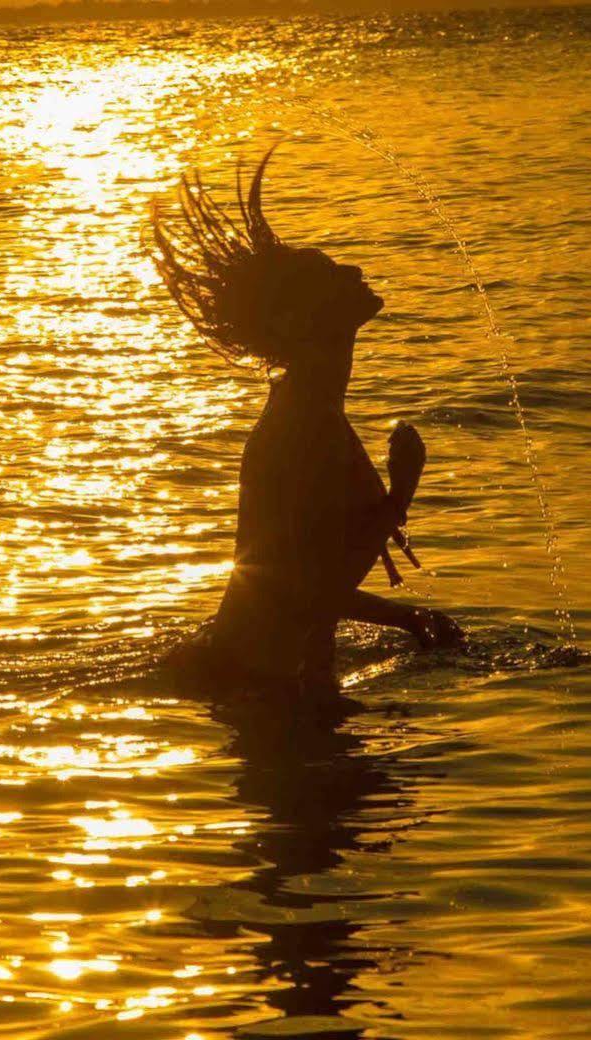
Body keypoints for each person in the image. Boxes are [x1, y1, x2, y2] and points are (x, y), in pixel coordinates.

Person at [152, 146, 463, 699]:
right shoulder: (301, 425)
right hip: (243, 682)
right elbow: (303, 590)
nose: (353, 269)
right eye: (329, 272)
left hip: (265, 679)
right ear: (306, 319)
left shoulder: (312, 406)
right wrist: (404, 494)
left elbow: (313, 582)